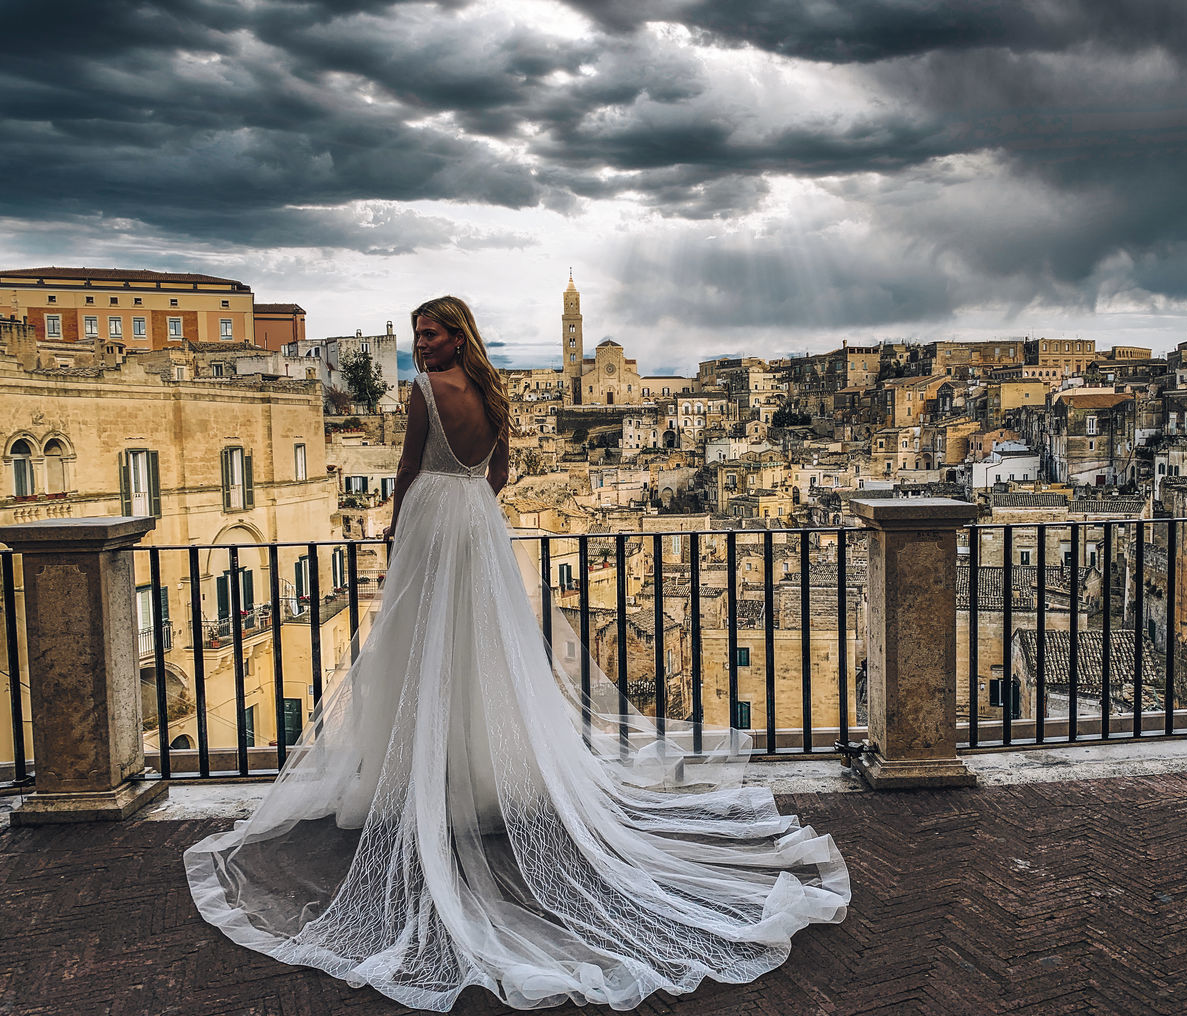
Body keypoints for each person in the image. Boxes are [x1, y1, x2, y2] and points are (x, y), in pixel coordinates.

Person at [185, 295, 850, 1011]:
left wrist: (398, 527)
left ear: (455, 334)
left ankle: (424, 783)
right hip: (478, 521)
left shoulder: (422, 392)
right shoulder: (494, 394)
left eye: (431, 333)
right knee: (484, 655)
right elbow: (499, 476)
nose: (422, 344)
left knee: (419, 652)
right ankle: (481, 780)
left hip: (437, 520)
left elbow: (408, 468)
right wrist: (470, 498)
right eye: (417, 335)